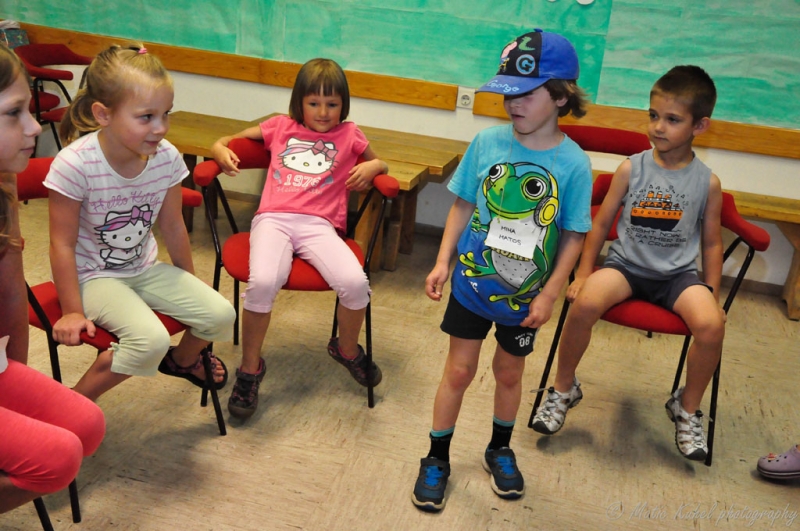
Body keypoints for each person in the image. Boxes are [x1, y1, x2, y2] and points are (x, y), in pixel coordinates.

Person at [411, 30, 593, 512]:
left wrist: (550, 294)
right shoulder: (487, 142)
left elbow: (574, 235)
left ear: (560, 96)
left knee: (509, 373)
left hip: (525, 299)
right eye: (508, 93)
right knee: (458, 370)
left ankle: (499, 448)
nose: (513, 104)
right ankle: (436, 456)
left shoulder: (574, 164)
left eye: (526, 94)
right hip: (472, 285)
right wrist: (443, 260)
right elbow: (463, 204)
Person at [530, 65, 725, 463]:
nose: (658, 127)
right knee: (584, 303)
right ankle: (564, 388)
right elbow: (600, 224)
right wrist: (584, 273)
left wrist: (713, 292)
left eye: (672, 119)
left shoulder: (708, 182)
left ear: (700, 126)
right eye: (653, 115)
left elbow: (711, 242)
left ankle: (686, 406)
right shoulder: (630, 168)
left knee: (711, 325)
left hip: (677, 276)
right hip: (625, 268)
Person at [44, 44, 236, 401]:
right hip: (92, 277)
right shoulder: (75, 164)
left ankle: (182, 361)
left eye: (166, 114)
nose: (160, 128)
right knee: (149, 340)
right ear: (103, 114)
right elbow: (61, 244)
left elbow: (174, 226)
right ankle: (71, 409)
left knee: (221, 314)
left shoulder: (166, 157)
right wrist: (72, 311)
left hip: (143, 268)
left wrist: (189, 282)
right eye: (146, 117)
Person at [210, 58, 388, 420]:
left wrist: (375, 166)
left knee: (356, 284)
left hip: (320, 225)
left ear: (343, 105)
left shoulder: (350, 134)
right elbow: (230, 140)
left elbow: (380, 163)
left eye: (332, 104)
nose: (323, 112)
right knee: (263, 282)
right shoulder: (280, 126)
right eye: (313, 103)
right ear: (299, 103)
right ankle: (250, 368)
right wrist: (217, 147)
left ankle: (346, 349)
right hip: (273, 220)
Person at [0, 42, 105, 515]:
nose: (34, 126)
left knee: (86, 425)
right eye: (14, 113)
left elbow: (10, 294)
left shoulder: (3, 180)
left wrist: (13, 377)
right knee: (56, 458)